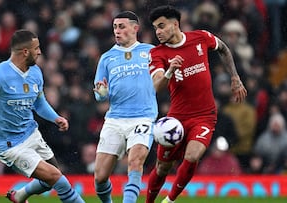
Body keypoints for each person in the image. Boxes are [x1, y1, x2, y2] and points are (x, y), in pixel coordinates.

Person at [0, 29, 85, 203]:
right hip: (10, 145)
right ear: (25, 52)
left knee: (50, 180)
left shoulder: (36, 72)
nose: (40, 52)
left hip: (31, 134)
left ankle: (20, 195)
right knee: (58, 179)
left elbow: (38, 102)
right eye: (37, 48)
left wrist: (56, 118)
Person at [146, 6, 247, 203]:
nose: (157, 32)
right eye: (155, 28)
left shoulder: (200, 37)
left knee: (193, 155)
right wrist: (169, 71)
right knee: (162, 168)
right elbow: (157, 85)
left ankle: (170, 200)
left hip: (204, 116)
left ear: (175, 24)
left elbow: (224, 48)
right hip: (176, 119)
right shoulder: (158, 53)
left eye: (161, 26)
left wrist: (235, 77)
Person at [93, 11, 158, 203]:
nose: (117, 31)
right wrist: (101, 93)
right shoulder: (107, 58)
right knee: (100, 177)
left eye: (121, 26)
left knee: (135, 161)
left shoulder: (151, 51)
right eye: (114, 27)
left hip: (144, 117)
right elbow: (98, 94)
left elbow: (162, 78)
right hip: (115, 119)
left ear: (135, 28)